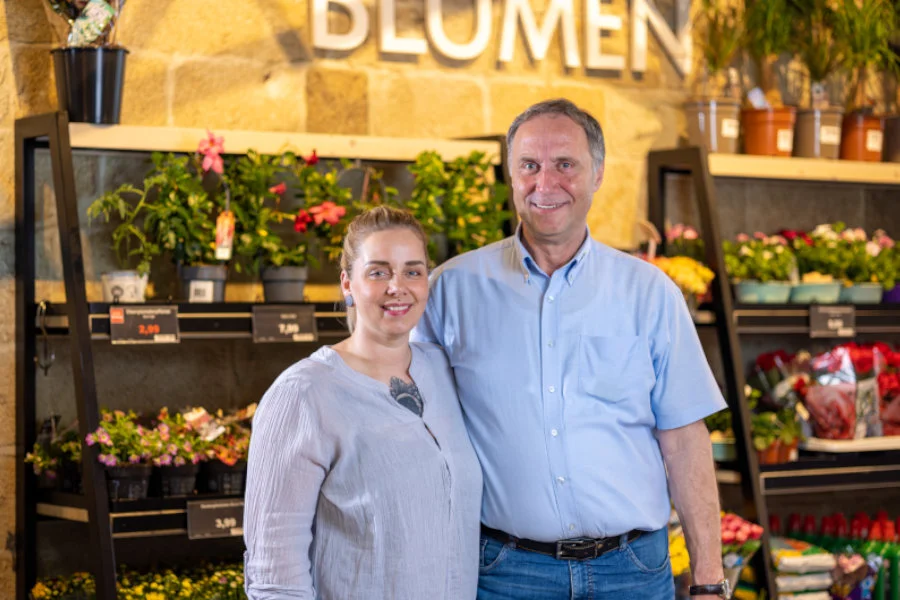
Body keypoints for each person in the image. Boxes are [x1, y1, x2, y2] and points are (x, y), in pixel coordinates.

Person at [412, 99, 729, 600]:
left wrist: (710, 579)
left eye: (565, 164)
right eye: (529, 166)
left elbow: (686, 439)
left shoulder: (649, 293)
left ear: (597, 174)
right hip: (505, 573)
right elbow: (413, 431)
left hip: (633, 572)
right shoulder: (451, 290)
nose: (545, 184)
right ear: (511, 176)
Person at [243, 206, 482, 599]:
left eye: (413, 271)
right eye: (378, 271)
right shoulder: (304, 394)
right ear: (347, 284)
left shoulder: (443, 371)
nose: (397, 286)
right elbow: (274, 577)